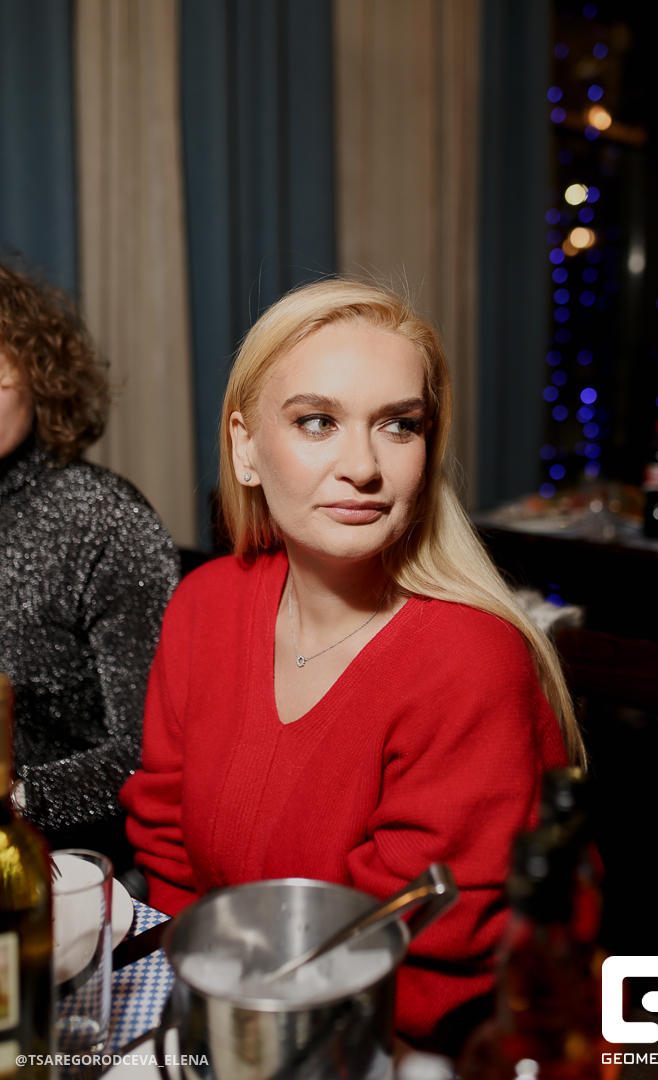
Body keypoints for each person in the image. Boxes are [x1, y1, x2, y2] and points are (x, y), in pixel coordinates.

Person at [121, 279, 583, 1051]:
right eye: (317, 421)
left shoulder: (467, 659)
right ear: (245, 447)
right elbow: (167, 845)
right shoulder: (206, 604)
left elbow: (426, 960)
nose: (363, 466)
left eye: (399, 426)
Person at [0, 261, 179, 868]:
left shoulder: (104, 520)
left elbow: (153, 749)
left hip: (84, 864)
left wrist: (18, 800)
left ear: (41, 375)